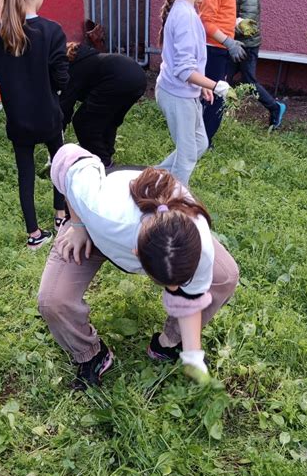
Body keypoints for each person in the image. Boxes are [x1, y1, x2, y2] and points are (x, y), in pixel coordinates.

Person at [38, 144, 239, 390]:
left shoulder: (198, 240)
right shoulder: (102, 210)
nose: (175, 290)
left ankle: (168, 344)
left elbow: (191, 299)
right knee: (53, 300)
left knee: (224, 276)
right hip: (93, 229)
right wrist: (79, 225)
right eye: (167, 284)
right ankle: (92, 355)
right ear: (136, 257)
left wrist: (193, 355)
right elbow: (67, 158)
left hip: (149, 232)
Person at [0, 0, 69, 250]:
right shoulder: (52, 31)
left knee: (25, 173)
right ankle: (61, 217)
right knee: (59, 164)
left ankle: (34, 235)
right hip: (48, 118)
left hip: (18, 121)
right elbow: (62, 80)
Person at [155, 0, 231, 185]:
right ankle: (176, 204)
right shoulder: (185, 16)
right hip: (177, 96)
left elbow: (189, 66)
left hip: (183, 93)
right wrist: (216, 85)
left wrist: (202, 86)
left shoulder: (184, 9)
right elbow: (184, 71)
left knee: (200, 143)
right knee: (187, 156)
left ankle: (151, 179)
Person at [60, 42, 147, 168]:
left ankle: (103, 164)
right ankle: (108, 158)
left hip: (119, 79)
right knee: (108, 121)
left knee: (83, 123)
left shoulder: (71, 69)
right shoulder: (84, 56)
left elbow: (65, 105)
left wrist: (56, 139)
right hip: (137, 77)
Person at [228, 0, 286, 128]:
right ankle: (224, 114)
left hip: (247, 46)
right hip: (236, 44)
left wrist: (226, 24)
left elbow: (248, 25)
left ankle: (275, 107)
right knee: (225, 78)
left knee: (249, 81)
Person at [198, 0, 244, 145]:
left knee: (216, 96)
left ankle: (204, 138)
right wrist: (227, 41)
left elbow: (222, 15)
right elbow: (206, 22)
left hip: (221, 48)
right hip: (213, 49)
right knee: (214, 97)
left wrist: (236, 24)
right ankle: (204, 142)